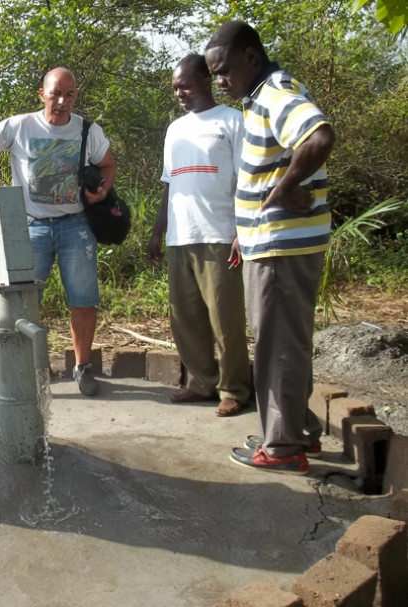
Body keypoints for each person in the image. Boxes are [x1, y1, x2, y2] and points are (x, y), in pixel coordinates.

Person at [204, 22, 335, 474]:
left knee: (277, 345)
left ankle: (281, 449)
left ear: (250, 58)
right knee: (285, 341)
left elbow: (318, 136)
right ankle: (297, 430)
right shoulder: (261, 97)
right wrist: (257, 214)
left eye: (223, 71)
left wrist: (284, 188)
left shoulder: (275, 94)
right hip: (273, 240)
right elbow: (276, 163)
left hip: (281, 249)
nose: (219, 81)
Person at [0, 67, 116, 396]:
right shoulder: (20, 126)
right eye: (55, 93)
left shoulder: (88, 130)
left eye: (69, 94)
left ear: (75, 97)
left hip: (76, 226)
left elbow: (107, 165)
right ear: (42, 94)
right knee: (22, 304)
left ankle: (83, 367)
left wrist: (101, 190)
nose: (62, 101)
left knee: (83, 300)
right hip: (29, 226)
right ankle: (15, 374)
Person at [147, 54, 252, 418]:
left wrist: (243, 230)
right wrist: (158, 231)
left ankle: (235, 389)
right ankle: (202, 382)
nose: (180, 93)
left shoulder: (233, 121)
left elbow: (246, 181)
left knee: (225, 317)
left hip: (220, 234)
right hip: (181, 235)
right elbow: (169, 183)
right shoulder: (175, 129)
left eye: (186, 86)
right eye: (175, 88)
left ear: (207, 81)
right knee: (185, 317)